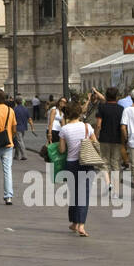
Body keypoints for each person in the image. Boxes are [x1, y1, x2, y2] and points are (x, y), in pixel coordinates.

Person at [59, 100, 97, 237]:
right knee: (84, 195)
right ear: (80, 113)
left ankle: (74, 222)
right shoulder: (87, 127)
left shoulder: (64, 129)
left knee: (74, 194)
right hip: (86, 162)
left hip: (71, 164)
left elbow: (62, 150)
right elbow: (95, 143)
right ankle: (81, 225)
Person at [94, 88, 126, 197]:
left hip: (104, 139)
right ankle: (116, 191)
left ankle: (108, 184)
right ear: (117, 97)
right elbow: (123, 126)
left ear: (106, 96)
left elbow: (98, 124)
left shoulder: (102, 108)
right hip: (117, 140)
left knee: (104, 163)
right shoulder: (121, 109)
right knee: (116, 164)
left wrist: (95, 136)